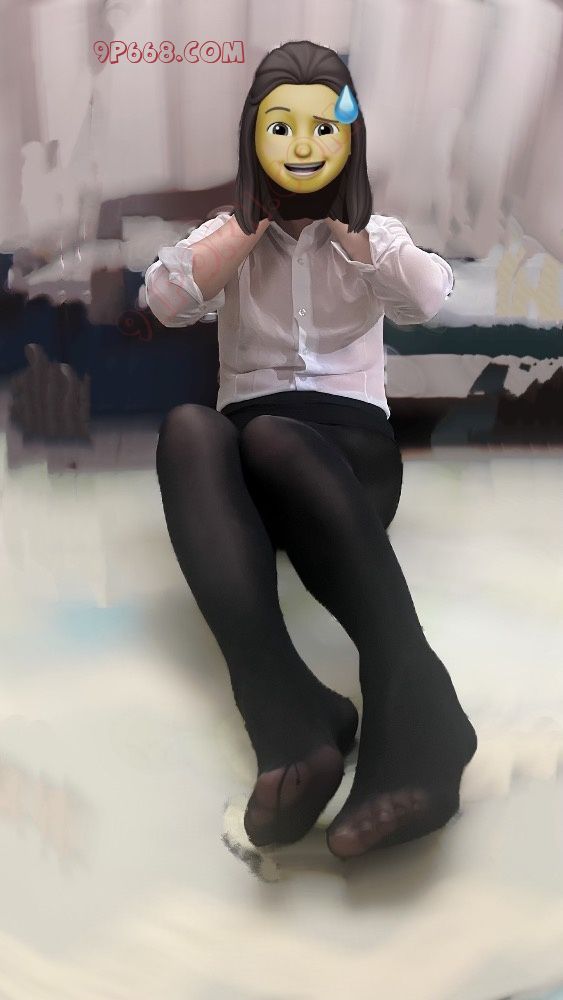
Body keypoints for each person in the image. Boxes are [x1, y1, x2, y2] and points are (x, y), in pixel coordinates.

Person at [145, 40, 477, 861]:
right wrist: (247, 226)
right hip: (253, 476)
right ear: (254, 137)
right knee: (190, 428)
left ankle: (414, 698)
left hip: (346, 463)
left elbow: (432, 297)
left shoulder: (372, 236)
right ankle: (289, 713)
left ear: (347, 139)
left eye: (322, 128)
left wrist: (350, 230)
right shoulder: (230, 233)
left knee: (272, 434)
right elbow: (164, 299)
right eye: (281, 128)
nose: (301, 146)